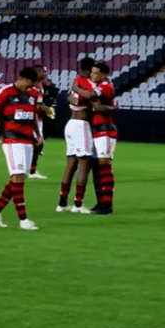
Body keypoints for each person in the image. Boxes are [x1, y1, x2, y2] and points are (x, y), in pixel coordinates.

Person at [0, 67, 41, 231]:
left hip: (28, 140)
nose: (29, 88)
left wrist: (38, 134)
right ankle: (23, 220)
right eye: (29, 84)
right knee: (18, 177)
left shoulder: (32, 94)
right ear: (22, 79)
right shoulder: (6, 92)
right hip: (12, 140)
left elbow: (33, 115)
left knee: (18, 178)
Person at [57, 57, 98, 212]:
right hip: (82, 125)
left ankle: (62, 203)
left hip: (71, 124)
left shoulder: (77, 79)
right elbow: (91, 97)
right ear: (92, 69)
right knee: (84, 165)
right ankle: (78, 204)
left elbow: (73, 97)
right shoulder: (89, 83)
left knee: (71, 164)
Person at [88, 62, 117, 215]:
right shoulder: (101, 86)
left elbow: (96, 104)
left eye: (94, 72)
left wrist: (76, 88)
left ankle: (107, 205)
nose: (91, 75)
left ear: (103, 74)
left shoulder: (106, 85)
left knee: (105, 166)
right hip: (98, 130)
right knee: (99, 167)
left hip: (106, 129)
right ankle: (101, 203)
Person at [28, 64, 55, 180]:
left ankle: (31, 170)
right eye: (43, 72)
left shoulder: (39, 85)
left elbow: (38, 104)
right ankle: (31, 171)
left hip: (37, 118)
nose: (45, 74)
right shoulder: (32, 85)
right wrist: (46, 109)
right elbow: (33, 105)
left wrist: (45, 109)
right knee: (37, 143)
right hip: (30, 118)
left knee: (37, 144)